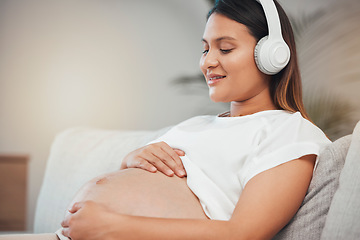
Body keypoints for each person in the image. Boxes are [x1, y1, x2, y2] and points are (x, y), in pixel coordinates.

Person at [0, 0, 331, 239]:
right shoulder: (195, 125)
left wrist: (112, 226)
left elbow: (242, 233)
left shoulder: (290, 132)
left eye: (225, 49)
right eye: (205, 49)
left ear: (273, 55)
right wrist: (129, 159)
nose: (207, 62)